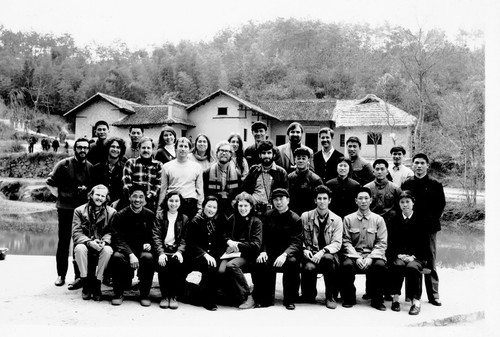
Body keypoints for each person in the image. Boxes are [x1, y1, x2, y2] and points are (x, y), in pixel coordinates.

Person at [46, 138, 92, 289]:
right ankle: (61, 275)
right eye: (79, 147)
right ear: (75, 149)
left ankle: (78, 276)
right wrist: (60, 197)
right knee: (63, 242)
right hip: (65, 210)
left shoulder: (90, 167)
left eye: (85, 148)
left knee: (79, 243)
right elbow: (50, 183)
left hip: (83, 212)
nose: (82, 150)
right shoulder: (63, 165)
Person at [401, 153, 446, 306]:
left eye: (422, 163)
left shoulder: (435, 184)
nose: (419, 166)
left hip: (429, 228)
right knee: (410, 259)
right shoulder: (407, 184)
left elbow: (440, 206)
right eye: (416, 163)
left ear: (427, 165)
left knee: (430, 260)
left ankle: (434, 294)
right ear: (412, 165)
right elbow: (403, 204)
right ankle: (411, 295)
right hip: (410, 227)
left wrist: (428, 221)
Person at [250, 188, 302, 310]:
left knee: (292, 263)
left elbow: (297, 241)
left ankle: (289, 299)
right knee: (262, 261)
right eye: (276, 199)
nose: (278, 202)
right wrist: (263, 251)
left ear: (288, 200)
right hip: (271, 252)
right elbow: (262, 237)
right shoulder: (267, 216)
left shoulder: (295, 218)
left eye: (281, 199)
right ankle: (266, 298)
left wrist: (285, 254)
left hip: (288, 254)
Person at [341, 187, 388, 311]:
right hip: (354, 255)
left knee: (380, 265)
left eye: (366, 198)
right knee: (346, 265)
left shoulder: (378, 220)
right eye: (360, 198)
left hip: (372, 255)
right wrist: (356, 258)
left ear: (371, 200)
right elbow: (345, 242)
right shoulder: (348, 219)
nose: (363, 201)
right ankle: (349, 297)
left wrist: (370, 258)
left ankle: (377, 299)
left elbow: (382, 243)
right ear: (356, 200)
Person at [109, 184, 156, 306]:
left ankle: (144, 294)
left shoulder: (150, 215)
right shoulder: (120, 215)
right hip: (125, 250)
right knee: (117, 257)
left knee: (148, 258)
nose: (137, 200)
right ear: (129, 197)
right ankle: (118, 293)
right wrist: (130, 253)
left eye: (141, 197)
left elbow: (155, 234)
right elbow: (117, 237)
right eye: (134, 196)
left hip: (142, 250)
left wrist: (149, 244)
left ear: (145, 199)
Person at [387, 191, 430, 315]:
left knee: (412, 267)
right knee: (398, 265)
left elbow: (425, 244)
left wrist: (413, 256)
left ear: (413, 203)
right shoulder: (394, 220)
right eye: (402, 202)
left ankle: (415, 301)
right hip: (399, 256)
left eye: (407, 202)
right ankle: (395, 299)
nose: (405, 205)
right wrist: (399, 255)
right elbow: (390, 242)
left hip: (417, 257)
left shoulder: (421, 220)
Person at [300, 185, 342, 309]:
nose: (322, 201)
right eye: (319, 198)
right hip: (311, 253)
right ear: (315, 200)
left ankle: (330, 296)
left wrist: (323, 251)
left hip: (328, 255)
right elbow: (299, 238)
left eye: (325, 198)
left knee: (328, 259)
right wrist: (304, 249)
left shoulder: (337, 219)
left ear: (330, 200)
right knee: (308, 267)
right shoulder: (305, 216)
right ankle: (309, 294)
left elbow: (337, 243)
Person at [72, 184, 115, 301]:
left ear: (106, 198)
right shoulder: (79, 211)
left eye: (103, 196)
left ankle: (97, 283)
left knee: (108, 250)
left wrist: (104, 242)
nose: (99, 198)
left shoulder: (112, 213)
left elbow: (111, 232)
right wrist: (89, 242)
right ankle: (85, 283)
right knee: (79, 248)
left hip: (101, 244)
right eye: (97, 195)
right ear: (91, 195)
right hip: (86, 243)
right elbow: (76, 233)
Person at [220, 192, 262, 308]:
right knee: (221, 270)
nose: (243, 209)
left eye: (245, 206)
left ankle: (248, 296)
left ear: (251, 206)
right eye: (240, 206)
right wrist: (228, 241)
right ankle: (232, 295)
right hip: (232, 253)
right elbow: (223, 234)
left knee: (231, 266)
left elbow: (256, 245)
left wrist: (237, 245)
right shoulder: (232, 218)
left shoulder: (256, 221)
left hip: (248, 254)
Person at [185, 196, 225, 311]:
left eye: (214, 207)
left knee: (216, 265)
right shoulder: (195, 221)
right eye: (209, 206)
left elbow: (220, 240)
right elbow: (191, 243)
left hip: (212, 254)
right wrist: (205, 254)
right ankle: (206, 299)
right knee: (209, 265)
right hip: (196, 255)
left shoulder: (217, 221)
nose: (211, 209)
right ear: (203, 207)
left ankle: (209, 295)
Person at [152, 191, 189, 309]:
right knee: (163, 265)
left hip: (176, 250)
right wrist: (161, 253)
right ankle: (164, 296)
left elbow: (184, 238)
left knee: (176, 266)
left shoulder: (184, 218)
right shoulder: (159, 215)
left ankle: (173, 296)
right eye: (171, 200)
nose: (174, 204)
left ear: (180, 202)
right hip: (162, 249)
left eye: (176, 201)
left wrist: (180, 251)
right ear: (166, 201)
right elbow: (156, 235)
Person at [160, 137, 204, 219]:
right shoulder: (167, 166)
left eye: (185, 146)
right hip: (173, 203)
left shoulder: (197, 167)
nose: (183, 149)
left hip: (190, 203)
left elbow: (200, 189)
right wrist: (159, 208)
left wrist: (200, 207)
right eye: (180, 146)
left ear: (189, 149)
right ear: (175, 148)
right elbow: (163, 189)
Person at [242, 140, 288, 216]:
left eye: (269, 153)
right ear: (259, 155)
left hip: (274, 211)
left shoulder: (281, 172)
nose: (266, 156)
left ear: (273, 155)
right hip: (255, 211)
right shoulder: (254, 170)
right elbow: (245, 190)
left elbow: (285, 194)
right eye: (263, 153)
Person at [203, 141, 242, 219]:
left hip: (230, 211)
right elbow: (205, 193)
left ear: (231, 154)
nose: (224, 153)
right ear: (217, 153)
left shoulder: (237, 174)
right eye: (221, 150)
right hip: (213, 210)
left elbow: (238, 194)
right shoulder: (207, 172)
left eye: (227, 151)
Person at [122, 137, 162, 211]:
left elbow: (158, 184)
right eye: (143, 148)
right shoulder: (131, 163)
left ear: (153, 149)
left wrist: (147, 198)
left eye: (148, 148)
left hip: (151, 203)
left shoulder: (158, 165)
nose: (146, 150)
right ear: (139, 149)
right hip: (133, 203)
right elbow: (126, 184)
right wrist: (137, 198)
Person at [364, 159, 402, 226]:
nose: (379, 172)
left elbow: (399, 208)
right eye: (377, 169)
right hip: (371, 223)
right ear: (373, 172)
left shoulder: (395, 188)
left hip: (390, 223)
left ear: (387, 171)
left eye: (382, 169)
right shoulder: (367, 188)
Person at [90, 137, 127, 206]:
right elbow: (93, 187)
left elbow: (126, 190)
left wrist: (118, 202)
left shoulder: (125, 168)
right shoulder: (97, 167)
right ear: (107, 148)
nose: (115, 149)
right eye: (112, 146)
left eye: (118, 147)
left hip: (118, 205)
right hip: (99, 203)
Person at [287, 147, 323, 216]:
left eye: (303, 158)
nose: (301, 161)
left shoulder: (316, 179)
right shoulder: (289, 178)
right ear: (295, 160)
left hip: (310, 215)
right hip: (293, 215)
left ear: (308, 160)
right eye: (298, 158)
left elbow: (320, 200)